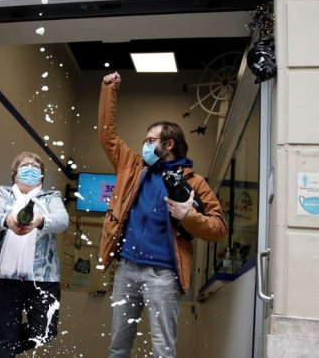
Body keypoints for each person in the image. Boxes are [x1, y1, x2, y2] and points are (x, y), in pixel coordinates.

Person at [97, 72, 227, 358]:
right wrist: (109, 90)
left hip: (163, 275)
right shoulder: (131, 166)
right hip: (126, 270)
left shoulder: (195, 182)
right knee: (118, 348)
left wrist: (187, 216)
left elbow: (219, 228)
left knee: (162, 351)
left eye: (150, 139)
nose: (144, 144)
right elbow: (107, 134)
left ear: (169, 145)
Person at [0, 152, 69, 358]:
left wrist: (41, 221)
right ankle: (5, 346)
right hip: (4, 277)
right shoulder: (4, 194)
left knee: (44, 331)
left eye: (35, 166)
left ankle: (7, 346)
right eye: (24, 165)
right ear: (15, 173)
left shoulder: (51, 197)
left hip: (43, 278)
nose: (30, 168)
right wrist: (7, 220)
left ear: (41, 175)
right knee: (4, 334)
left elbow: (62, 220)